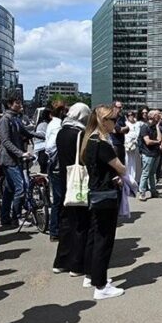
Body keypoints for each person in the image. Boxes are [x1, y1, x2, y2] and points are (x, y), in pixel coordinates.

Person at [80, 105, 129, 299]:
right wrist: (116, 175)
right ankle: (100, 285)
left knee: (94, 236)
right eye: (113, 120)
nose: (115, 124)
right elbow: (121, 168)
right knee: (104, 240)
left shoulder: (89, 140)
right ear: (104, 121)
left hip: (96, 192)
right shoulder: (102, 144)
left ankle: (92, 275)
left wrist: (111, 175)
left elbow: (100, 170)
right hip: (106, 195)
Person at [52, 103, 92, 276]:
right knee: (81, 223)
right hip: (78, 182)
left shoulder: (62, 132)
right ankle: (76, 265)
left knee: (66, 221)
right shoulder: (80, 134)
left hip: (64, 179)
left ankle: (61, 261)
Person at [0, 93, 41, 227]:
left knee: (9, 190)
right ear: (10, 104)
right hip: (9, 159)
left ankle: (5, 218)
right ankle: (16, 217)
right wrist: (21, 153)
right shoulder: (5, 119)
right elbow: (5, 141)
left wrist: (43, 136)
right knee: (20, 188)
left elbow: (26, 133)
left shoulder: (15, 119)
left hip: (15, 159)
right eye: (17, 103)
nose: (20, 105)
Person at [44, 99, 67, 241]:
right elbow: (51, 146)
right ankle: (55, 230)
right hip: (57, 165)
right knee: (59, 199)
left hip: (54, 165)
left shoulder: (53, 124)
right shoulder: (58, 125)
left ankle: (56, 229)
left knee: (59, 199)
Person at [139, 110, 162, 201]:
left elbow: (160, 139)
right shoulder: (144, 127)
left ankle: (153, 191)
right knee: (145, 173)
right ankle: (142, 192)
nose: (160, 116)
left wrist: (157, 127)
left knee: (152, 173)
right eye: (157, 115)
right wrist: (157, 142)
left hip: (155, 153)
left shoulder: (155, 127)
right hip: (148, 154)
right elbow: (147, 141)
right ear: (152, 116)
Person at [124, 110, 141, 184]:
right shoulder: (125, 123)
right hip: (126, 145)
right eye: (129, 115)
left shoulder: (137, 124)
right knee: (127, 162)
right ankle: (127, 179)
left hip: (134, 145)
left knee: (134, 163)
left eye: (132, 115)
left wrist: (134, 141)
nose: (130, 116)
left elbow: (137, 134)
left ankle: (134, 179)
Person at [34, 108, 51, 174]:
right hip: (43, 151)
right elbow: (40, 138)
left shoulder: (46, 123)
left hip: (45, 152)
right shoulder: (43, 125)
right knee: (44, 171)